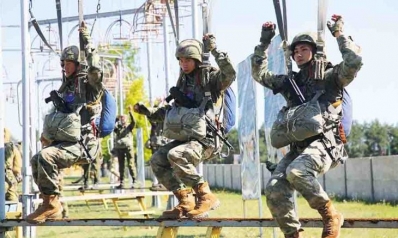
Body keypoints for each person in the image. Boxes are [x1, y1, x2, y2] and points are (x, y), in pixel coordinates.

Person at [251, 15, 362, 238]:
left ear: (314, 51)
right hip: (299, 148)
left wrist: (339, 34)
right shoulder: (291, 82)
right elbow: (259, 73)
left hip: (326, 144)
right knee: (274, 187)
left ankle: (330, 216)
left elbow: (354, 62)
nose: (298, 54)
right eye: (295, 51)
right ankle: (293, 234)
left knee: (297, 171)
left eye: (303, 49)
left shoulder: (331, 77)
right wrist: (264, 43)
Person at [134, 33, 236, 219]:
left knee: (176, 155)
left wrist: (214, 50)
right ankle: (185, 200)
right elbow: (173, 110)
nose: (184, 64)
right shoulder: (183, 82)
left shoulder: (210, 79)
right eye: (181, 60)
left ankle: (206, 196)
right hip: (186, 138)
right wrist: (148, 112)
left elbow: (230, 74)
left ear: (197, 59)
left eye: (188, 59)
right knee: (157, 160)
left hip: (207, 140)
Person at [26, 22, 103, 224]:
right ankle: (49, 202)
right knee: (36, 159)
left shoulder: (89, 87)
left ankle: (52, 205)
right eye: (63, 63)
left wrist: (87, 43)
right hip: (64, 143)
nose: (64, 66)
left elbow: (95, 69)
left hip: (83, 145)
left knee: (45, 157)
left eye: (68, 62)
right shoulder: (65, 88)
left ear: (78, 64)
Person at [113, 105, 138, 189]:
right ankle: (122, 183)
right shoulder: (118, 128)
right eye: (121, 118)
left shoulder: (129, 126)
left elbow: (134, 121)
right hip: (120, 148)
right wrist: (116, 119)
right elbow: (112, 127)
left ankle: (135, 181)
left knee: (131, 164)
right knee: (121, 166)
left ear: (126, 119)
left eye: (124, 118)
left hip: (128, 147)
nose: (122, 119)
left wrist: (130, 112)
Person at [4, 128, 22, 202]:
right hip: (8, 177)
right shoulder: (12, 148)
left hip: (7, 176)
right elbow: (17, 167)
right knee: (12, 196)